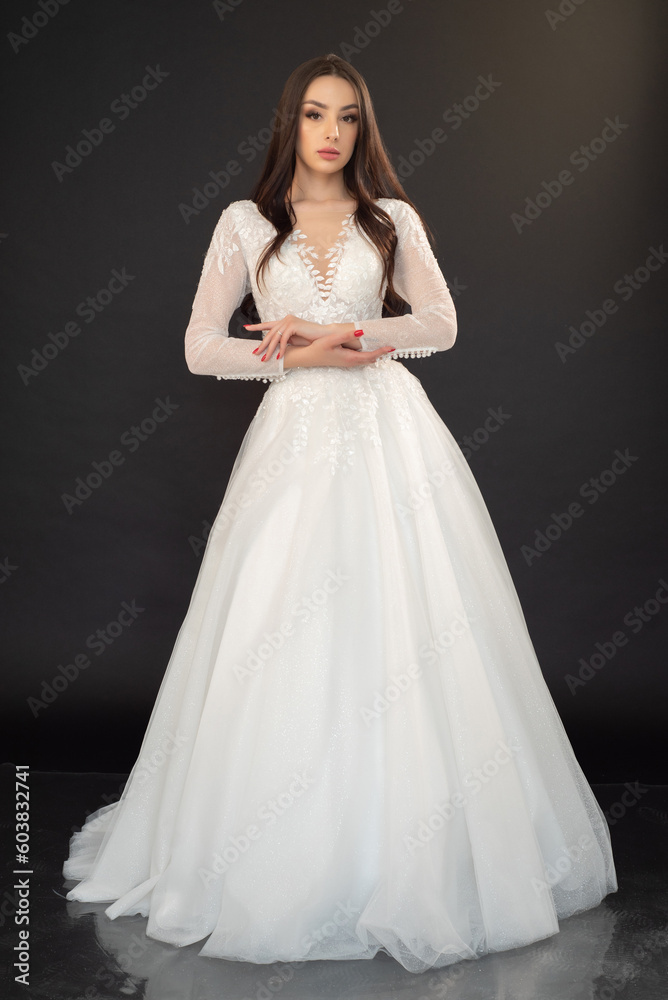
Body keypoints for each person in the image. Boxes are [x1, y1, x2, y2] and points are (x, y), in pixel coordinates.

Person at [63, 53, 617, 974]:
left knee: (412, 622)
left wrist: (345, 334)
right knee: (284, 626)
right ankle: (283, 846)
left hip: (393, 435)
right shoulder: (246, 223)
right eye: (316, 114)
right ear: (292, 123)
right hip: (293, 442)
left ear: (364, 128)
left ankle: (417, 846)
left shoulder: (390, 218)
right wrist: (295, 358)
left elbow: (438, 324)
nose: (331, 132)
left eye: (349, 117)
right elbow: (202, 346)